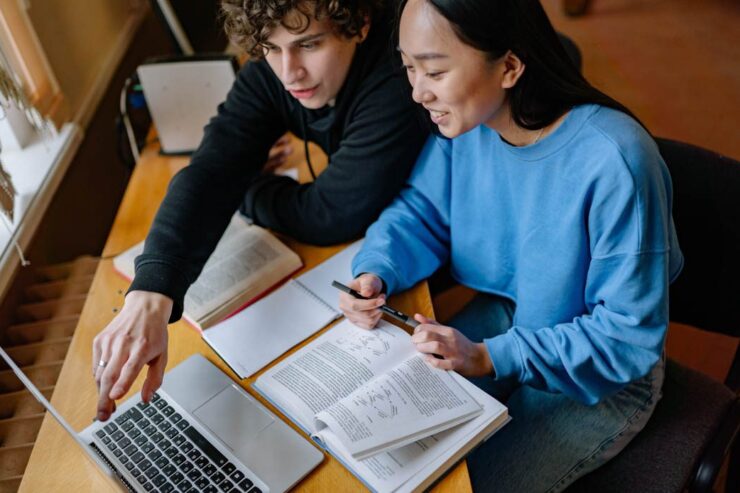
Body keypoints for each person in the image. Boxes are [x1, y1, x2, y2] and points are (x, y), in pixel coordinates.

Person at [338, 0, 683, 491]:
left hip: (601, 379)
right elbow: (421, 211)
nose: (417, 92)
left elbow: (624, 338)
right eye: (409, 67)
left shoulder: (615, 160)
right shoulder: (465, 124)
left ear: (510, 66)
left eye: (434, 70)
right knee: (387, 453)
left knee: (464, 483)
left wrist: (491, 358)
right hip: (508, 316)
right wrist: (377, 268)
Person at [92, 0, 428, 422]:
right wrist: (150, 294)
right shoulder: (274, 73)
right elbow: (211, 170)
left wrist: (245, 181)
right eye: (271, 47)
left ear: (359, 23)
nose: (289, 72)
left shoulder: (396, 76)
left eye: (308, 44)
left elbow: (328, 214)